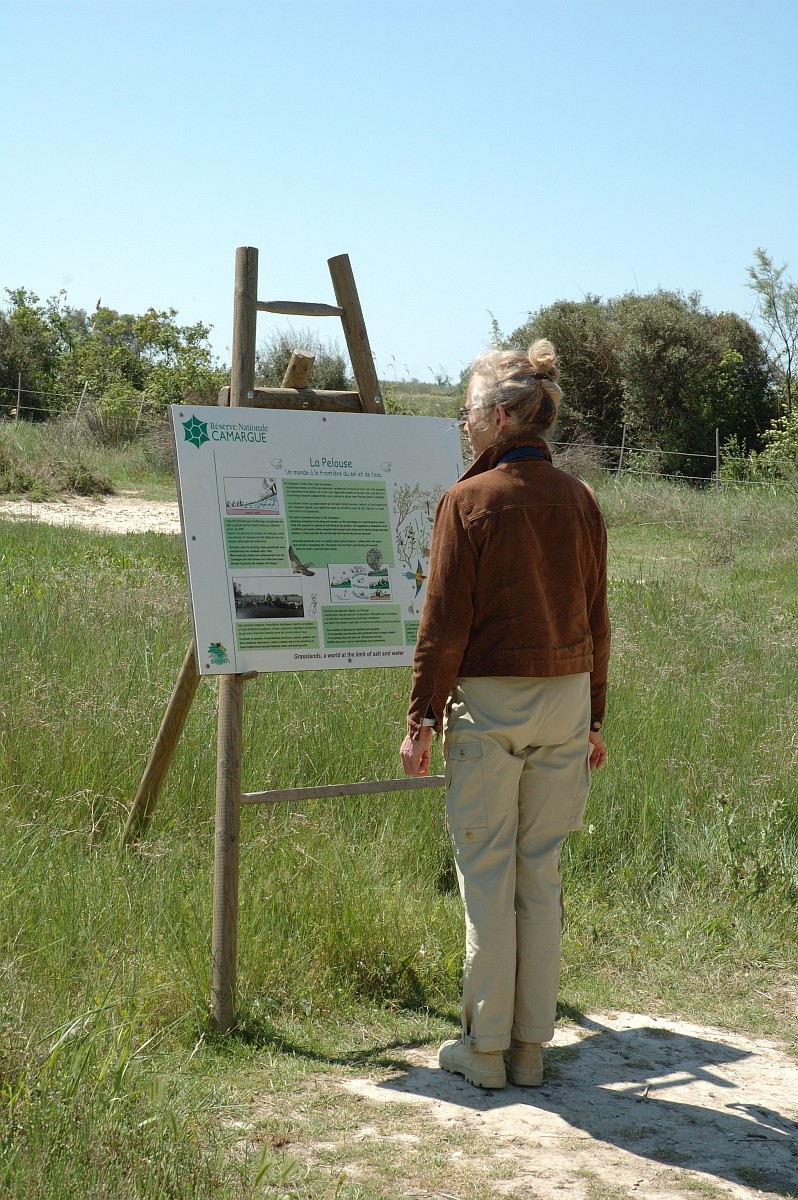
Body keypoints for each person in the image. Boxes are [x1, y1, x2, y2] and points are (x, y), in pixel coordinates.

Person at [400, 339, 609, 1091]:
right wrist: (594, 719)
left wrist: (421, 720)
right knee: (539, 877)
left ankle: (484, 1050)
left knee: (487, 875)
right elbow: (597, 618)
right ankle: (530, 1050)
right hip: (567, 700)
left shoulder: (468, 501)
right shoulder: (581, 499)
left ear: (497, 417)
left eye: (466, 411)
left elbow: (443, 624)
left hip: (489, 705)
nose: (462, 425)